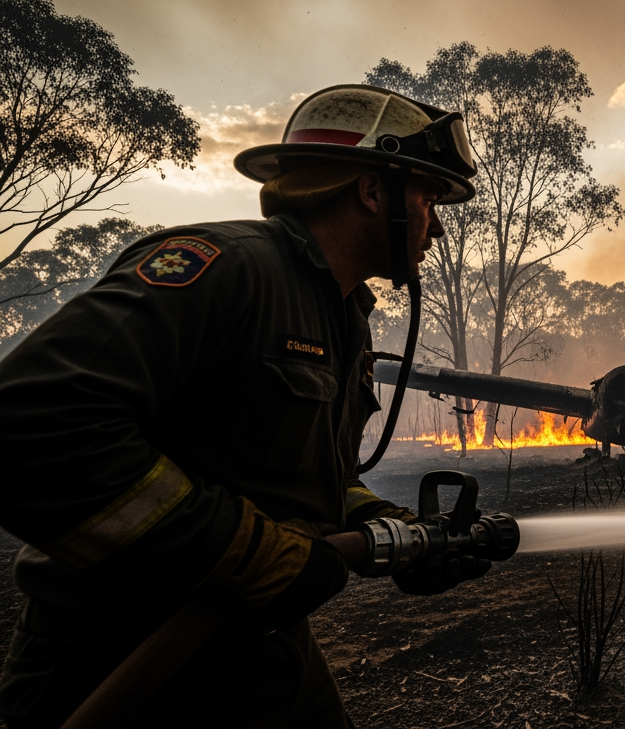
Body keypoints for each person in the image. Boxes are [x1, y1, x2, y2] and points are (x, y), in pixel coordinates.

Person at [0, 84, 478, 728]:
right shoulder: (229, 268)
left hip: (259, 644)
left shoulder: (343, 313)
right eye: (427, 197)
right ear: (372, 191)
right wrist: (249, 555)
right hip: (122, 661)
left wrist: (400, 533)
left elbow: (298, 475)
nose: (437, 223)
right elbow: (31, 425)